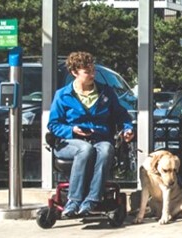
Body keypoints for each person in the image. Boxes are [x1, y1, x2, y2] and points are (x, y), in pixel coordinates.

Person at [48, 51, 134, 217]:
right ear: (74, 72)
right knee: (85, 149)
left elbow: (121, 114)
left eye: (93, 70)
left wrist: (128, 128)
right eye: (87, 72)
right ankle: (73, 201)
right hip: (71, 141)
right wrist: (72, 130)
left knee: (106, 149)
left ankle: (91, 200)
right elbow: (53, 124)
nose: (93, 74)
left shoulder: (105, 92)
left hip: (100, 138)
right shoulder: (62, 95)